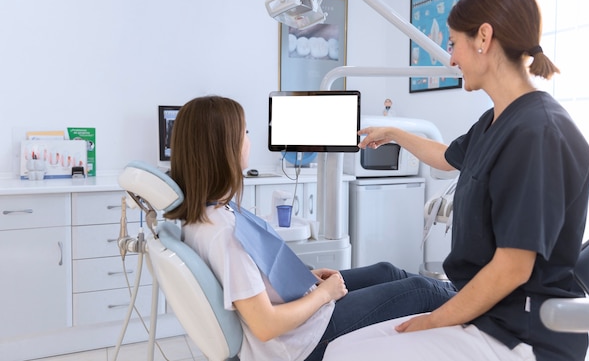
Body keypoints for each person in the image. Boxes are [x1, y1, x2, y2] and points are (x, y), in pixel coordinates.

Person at [324, 0, 589, 361]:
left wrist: (434, 320)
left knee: (346, 355)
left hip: (522, 336)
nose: (451, 59)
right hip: (486, 314)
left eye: (453, 44)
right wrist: (396, 134)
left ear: (484, 37)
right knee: (342, 347)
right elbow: (447, 156)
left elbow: (512, 269)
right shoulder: (496, 120)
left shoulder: (538, 133)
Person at [163, 95, 456, 361]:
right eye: (246, 133)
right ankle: (479, 306)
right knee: (420, 290)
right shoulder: (224, 234)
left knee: (386, 271)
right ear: (223, 148)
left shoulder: (210, 213)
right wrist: (323, 294)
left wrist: (306, 281)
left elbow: (255, 280)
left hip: (302, 313)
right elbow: (265, 326)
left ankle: (459, 293)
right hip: (300, 341)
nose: (249, 141)